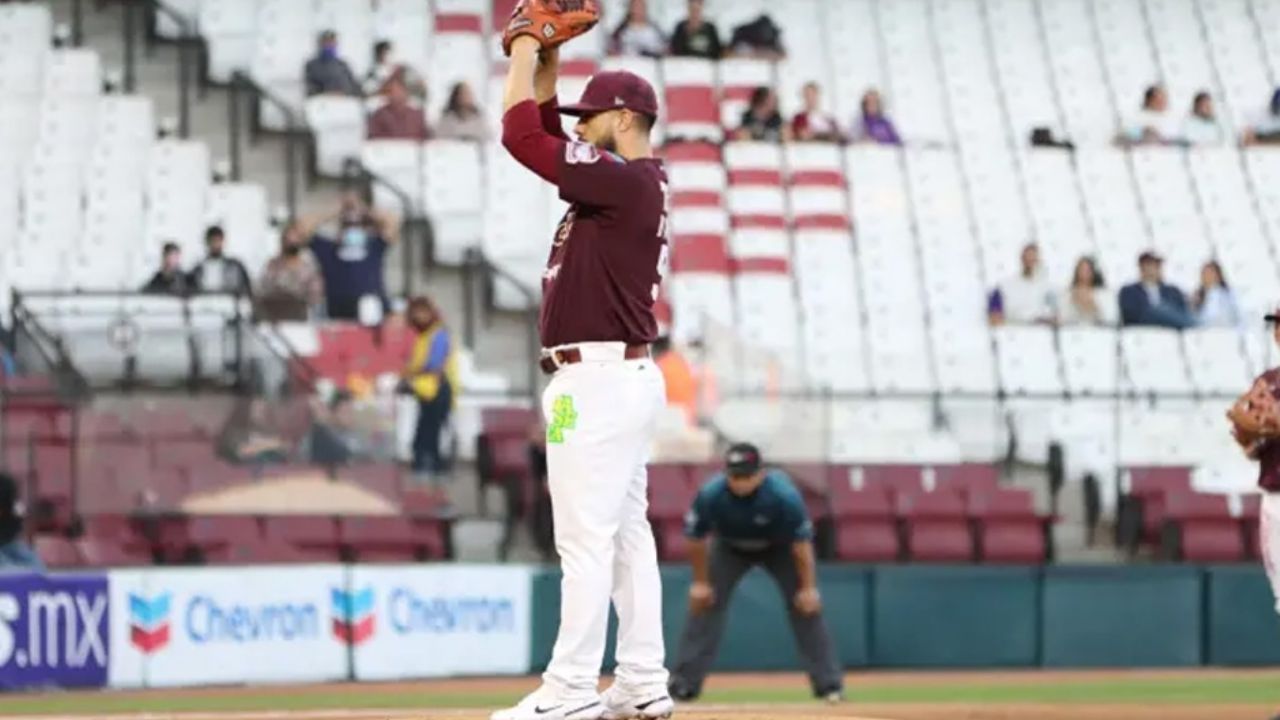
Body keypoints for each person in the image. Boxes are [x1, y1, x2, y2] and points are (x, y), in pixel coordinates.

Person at [494, 35, 672, 720]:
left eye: (591, 115)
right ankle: (641, 680)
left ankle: (569, 691)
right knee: (626, 535)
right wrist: (547, 67)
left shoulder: (622, 180)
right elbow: (542, 128)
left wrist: (524, 46)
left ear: (625, 119)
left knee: (585, 538)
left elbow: (520, 137)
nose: (579, 126)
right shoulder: (632, 184)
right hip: (615, 378)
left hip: (593, 384)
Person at [668, 443, 842, 703]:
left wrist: (808, 588)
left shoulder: (784, 495)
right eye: (735, 476)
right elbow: (695, 538)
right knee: (705, 605)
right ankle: (683, 685)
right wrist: (701, 583)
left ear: (761, 473)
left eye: (746, 476)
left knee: (806, 608)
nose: (740, 483)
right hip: (729, 547)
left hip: (779, 546)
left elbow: (801, 545)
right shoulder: (711, 493)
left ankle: (829, 685)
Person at [297, 192, 399, 322]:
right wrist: (336, 211)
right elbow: (302, 227)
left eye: (357, 226)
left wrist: (362, 209)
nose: (352, 230)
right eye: (347, 226)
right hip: (338, 314)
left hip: (372, 314)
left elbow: (392, 222)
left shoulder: (373, 247)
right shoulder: (328, 249)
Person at [402, 296, 459, 481]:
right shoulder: (422, 336)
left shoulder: (439, 334)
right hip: (424, 389)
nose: (418, 317)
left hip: (438, 389)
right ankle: (424, 464)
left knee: (432, 429)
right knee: (424, 428)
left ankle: (433, 466)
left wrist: (412, 372)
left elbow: (435, 364)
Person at [257, 222, 326, 321]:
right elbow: (262, 290)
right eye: (288, 238)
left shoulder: (309, 268)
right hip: (275, 319)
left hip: (299, 320)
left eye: (296, 238)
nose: (291, 241)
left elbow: (316, 296)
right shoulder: (272, 266)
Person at [1118, 250, 1195, 329]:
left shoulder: (1173, 291)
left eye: (1158, 265)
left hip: (1171, 327)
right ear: (1141, 267)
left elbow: (1182, 311)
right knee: (1159, 310)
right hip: (1144, 327)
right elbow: (1131, 315)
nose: (1156, 269)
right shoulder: (1129, 291)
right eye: (1151, 265)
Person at [987, 242, 1056, 325]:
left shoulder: (1047, 288)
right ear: (1021, 259)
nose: (1030, 261)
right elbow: (994, 317)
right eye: (1027, 258)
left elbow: (1054, 315)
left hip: (1040, 331)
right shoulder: (1004, 285)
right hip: (1012, 332)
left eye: (1033, 258)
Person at [189, 225, 252, 296]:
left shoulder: (235, 266)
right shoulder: (198, 269)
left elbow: (247, 290)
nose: (215, 245)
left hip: (229, 302)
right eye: (212, 241)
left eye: (218, 241)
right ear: (207, 243)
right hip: (204, 303)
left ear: (223, 241)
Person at [1058, 256, 1116, 326]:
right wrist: (1073, 301)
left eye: (1088, 270)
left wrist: (1092, 305)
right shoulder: (1068, 293)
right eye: (1081, 269)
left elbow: (1111, 320)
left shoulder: (1104, 294)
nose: (1084, 273)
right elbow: (1063, 319)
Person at [0, 472, 41, 570]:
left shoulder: (15, 505)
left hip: (8, 539)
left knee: (31, 562)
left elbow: (21, 513)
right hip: (7, 539)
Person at [304, 30, 361, 97]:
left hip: (344, 100)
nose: (329, 45)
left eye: (331, 42)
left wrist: (346, 92)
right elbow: (311, 88)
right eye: (326, 42)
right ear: (320, 44)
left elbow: (354, 86)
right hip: (323, 101)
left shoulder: (343, 65)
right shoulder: (312, 65)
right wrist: (328, 93)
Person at [1192, 260, 1242, 328]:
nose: (1206, 277)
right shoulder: (1198, 295)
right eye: (1204, 273)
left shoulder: (1226, 294)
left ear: (1218, 276)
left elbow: (1237, 316)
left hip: (1224, 331)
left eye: (1210, 273)